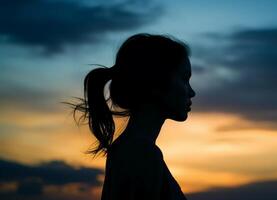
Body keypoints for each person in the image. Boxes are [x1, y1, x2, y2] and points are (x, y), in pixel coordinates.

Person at [70, 33, 195, 200]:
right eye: (184, 79)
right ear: (156, 82)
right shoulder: (142, 154)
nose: (192, 92)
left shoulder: (127, 150)